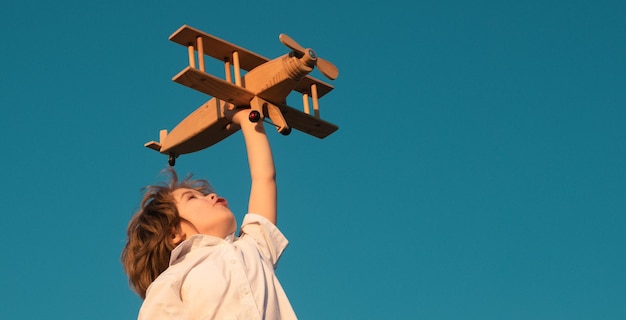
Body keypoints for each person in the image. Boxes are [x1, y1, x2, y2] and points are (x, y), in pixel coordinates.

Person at [121, 108, 297, 319]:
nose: (211, 196)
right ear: (173, 233)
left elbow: (264, 178)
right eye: (192, 197)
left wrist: (248, 122)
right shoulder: (171, 280)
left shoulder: (253, 247)